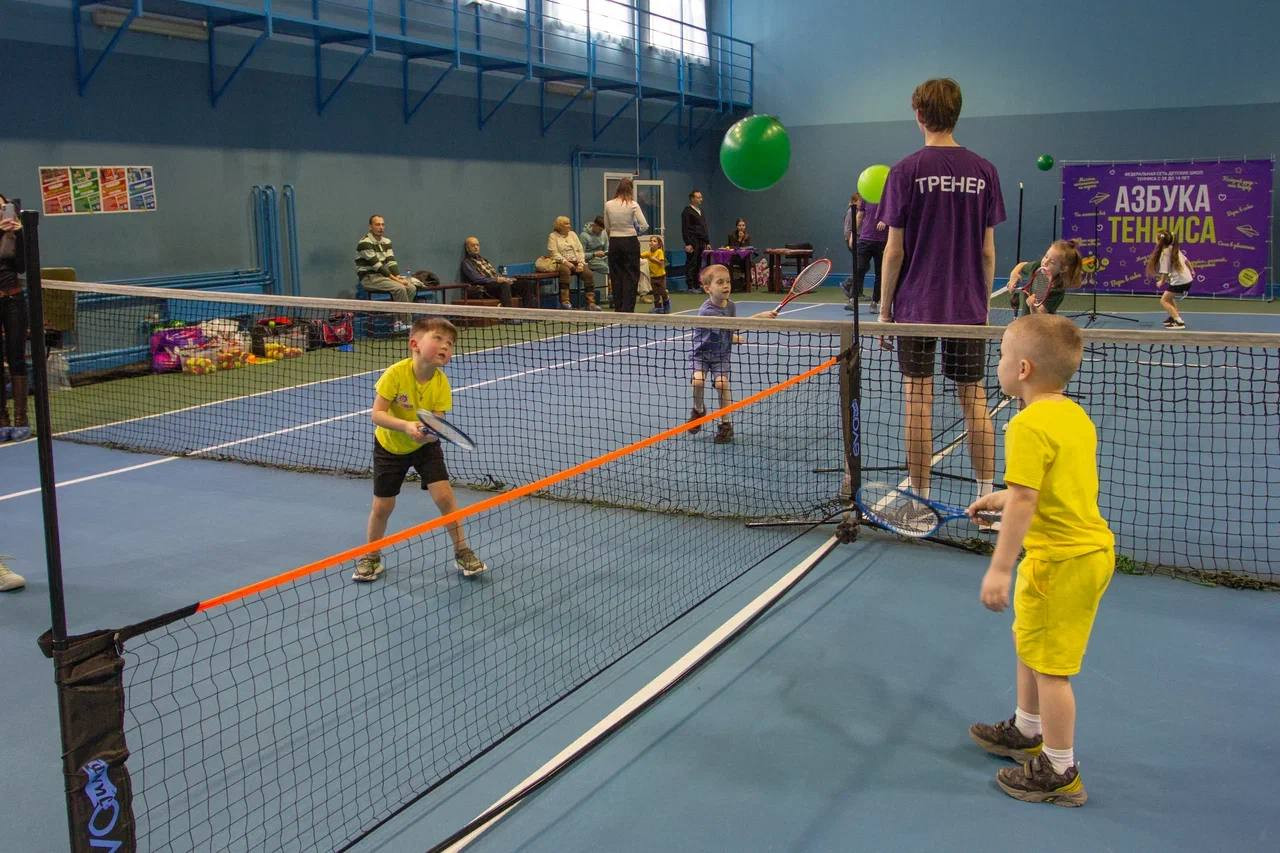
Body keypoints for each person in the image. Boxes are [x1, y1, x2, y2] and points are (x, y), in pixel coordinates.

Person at [965, 314, 1114, 808]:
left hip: (1061, 562)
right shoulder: (1073, 415)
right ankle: (1028, 730)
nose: (999, 365)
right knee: (1028, 643)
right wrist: (1000, 498)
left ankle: (1060, 770)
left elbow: (1028, 500)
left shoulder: (1026, 425)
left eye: (1002, 357)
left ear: (1023, 369)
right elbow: (1042, 489)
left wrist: (999, 568)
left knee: (1051, 669)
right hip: (1083, 554)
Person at [877, 78, 1006, 504]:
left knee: (918, 400)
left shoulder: (904, 171)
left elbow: (894, 252)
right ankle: (987, 501)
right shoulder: (985, 171)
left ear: (918, 114)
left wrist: (884, 312)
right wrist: (981, 306)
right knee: (974, 397)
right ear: (956, 114)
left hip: (915, 307)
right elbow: (987, 252)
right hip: (968, 308)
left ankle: (920, 500)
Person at [355, 316, 487, 583]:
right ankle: (371, 556)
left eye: (450, 343)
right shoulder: (395, 374)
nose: (446, 346)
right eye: (438, 338)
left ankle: (462, 551)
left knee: (445, 498)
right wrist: (406, 426)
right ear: (414, 344)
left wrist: (427, 435)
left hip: (425, 448)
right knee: (382, 506)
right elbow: (377, 415)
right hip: (390, 447)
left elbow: (436, 422)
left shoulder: (441, 383)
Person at [686, 264, 776, 445]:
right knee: (698, 381)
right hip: (701, 354)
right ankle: (698, 410)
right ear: (707, 289)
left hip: (721, 355)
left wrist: (731, 337)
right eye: (720, 282)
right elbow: (731, 325)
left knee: (722, 384)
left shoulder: (731, 306)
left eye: (727, 281)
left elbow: (727, 328)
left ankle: (725, 423)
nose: (726, 285)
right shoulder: (706, 311)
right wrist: (759, 317)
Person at [356, 215, 424, 327]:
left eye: (383, 224)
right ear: (370, 227)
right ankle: (407, 323)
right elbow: (378, 267)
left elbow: (391, 262)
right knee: (399, 288)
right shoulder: (364, 243)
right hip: (369, 278)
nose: (381, 227)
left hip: (383, 277)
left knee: (411, 287)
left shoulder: (387, 241)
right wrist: (398, 280)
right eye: (377, 224)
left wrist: (398, 276)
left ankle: (399, 321)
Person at [0, 192, 30, 443]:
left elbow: (22, 266)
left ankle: (21, 419)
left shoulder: (14, 234)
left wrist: (20, 234)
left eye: (2, 207)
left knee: (16, 357)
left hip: (14, 300)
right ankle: (2, 419)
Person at [603, 178, 649, 313]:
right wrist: (636, 231)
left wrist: (614, 234)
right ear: (630, 189)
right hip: (630, 242)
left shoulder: (608, 204)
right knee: (631, 276)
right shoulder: (633, 204)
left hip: (614, 242)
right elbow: (644, 225)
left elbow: (607, 226)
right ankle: (628, 309)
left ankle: (618, 308)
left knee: (616, 275)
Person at [1007, 240, 1084, 315]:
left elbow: (1039, 315)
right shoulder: (1037, 267)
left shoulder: (1057, 291)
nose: (1045, 262)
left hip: (1042, 322)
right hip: (1026, 320)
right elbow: (1021, 265)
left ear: (1062, 268)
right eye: (1046, 256)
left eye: (1052, 262)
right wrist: (1013, 275)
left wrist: (1032, 306)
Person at [843, 192, 888, 312]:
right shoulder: (867, 196)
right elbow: (859, 216)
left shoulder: (889, 197)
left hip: (882, 242)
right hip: (865, 240)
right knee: (859, 269)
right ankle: (853, 300)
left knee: (880, 273)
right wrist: (852, 235)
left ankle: (874, 302)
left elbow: (895, 215)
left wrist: (886, 221)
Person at [547, 216, 600, 310]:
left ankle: (591, 303)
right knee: (565, 271)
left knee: (588, 274)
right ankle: (565, 302)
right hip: (561, 262)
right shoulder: (553, 236)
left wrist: (581, 263)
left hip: (576, 261)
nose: (569, 226)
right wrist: (566, 263)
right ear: (560, 226)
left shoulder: (573, 234)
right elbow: (553, 253)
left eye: (569, 223)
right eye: (566, 224)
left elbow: (580, 250)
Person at [1145, 230, 1192, 328]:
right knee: (1169, 298)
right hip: (1187, 279)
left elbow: (1165, 271)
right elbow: (1187, 261)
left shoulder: (1165, 253)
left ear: (1159, 241)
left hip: (1180, 281)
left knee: (1164, 300)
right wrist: (1192, 270)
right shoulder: (1174, 249)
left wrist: (1161, 281)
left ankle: (1179, 322)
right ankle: (1173, 316)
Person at [459, 236, 524, 306]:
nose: (476, 247)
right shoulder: (467, 262)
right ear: (467, 248)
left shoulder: (484, 260)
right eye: (473, 245)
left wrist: (506, 279)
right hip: (484, 287)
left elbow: (494, 273)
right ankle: (508, 312)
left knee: (524, 284)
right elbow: (477, 279)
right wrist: (496, 280)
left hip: (495, 284)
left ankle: (528, 311)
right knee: (504, 285)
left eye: (477, 245)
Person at [681, 189, 710, 291]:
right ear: (692, 199)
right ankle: (690, 286)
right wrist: (688, 243)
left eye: (701, 197)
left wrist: (707, 242)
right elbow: (685, 228)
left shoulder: (701, 211)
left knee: (698, 264)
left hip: (701, 242)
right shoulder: (687, 211)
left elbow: (704, 228)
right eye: (698, 197)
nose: (701, 199)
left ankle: (697, 284)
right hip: (692, 241)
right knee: (691, 264)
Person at [580, 215, 610, 301]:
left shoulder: (603, 233)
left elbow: (607, 248)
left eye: (602, 230)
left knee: (617, 267)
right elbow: (581, 255)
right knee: (610, 270)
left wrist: (605, 254)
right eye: (600, 230)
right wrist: (594, 254)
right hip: (590, 260)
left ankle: (614, 294)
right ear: (594, 225)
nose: (601, 232)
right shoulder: (584, 236)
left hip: (603, 258)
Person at [641, 235, 669, 314]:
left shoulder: (659, 252)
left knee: (662, 291)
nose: (652, 242)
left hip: (661, 276)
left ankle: (667, 305)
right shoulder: (648, 253)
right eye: (651, 241)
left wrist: (653, 259)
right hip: (653, 277)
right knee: (655, 293)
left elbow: (661, 263)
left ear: (659, 244)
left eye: (654, 241)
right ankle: (658, 307)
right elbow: (640, 255)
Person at [726, 218, 753, 292]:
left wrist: (743, 241)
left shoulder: (747, 236)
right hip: (734, 258)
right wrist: (740, 239)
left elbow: (746, 248)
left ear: (745, 226)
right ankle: (732, 284)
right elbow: (733, 248)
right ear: (736, 226)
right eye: (739, 225)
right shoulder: (731, 235)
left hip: (744, 258)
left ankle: (747, 283)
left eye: (743, 225)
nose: (741, 227)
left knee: (747, 263)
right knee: (729, 263)